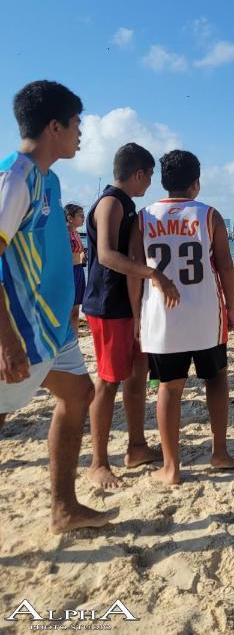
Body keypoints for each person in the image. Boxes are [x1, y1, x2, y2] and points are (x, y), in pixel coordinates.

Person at [0, 80, 109, 533]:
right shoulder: (15, 177)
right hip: (20, 330)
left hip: (54, 329)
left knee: (80, 394)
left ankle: (64, 509)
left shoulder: (51, 178)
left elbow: (52, 252)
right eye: (77, 123)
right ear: (54, 126)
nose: (81, 132)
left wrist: (69, 310)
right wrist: (6, 343)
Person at [128, 150, 234, 485]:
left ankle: (171, 467)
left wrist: (136, 316)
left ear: (163, 181)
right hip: (206, 315)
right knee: (216, 378)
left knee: (168, 388)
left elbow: (134, 271)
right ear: (196, 183)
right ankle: (219, 452)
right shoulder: (209, 215)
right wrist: (230, 307)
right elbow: (225, 266)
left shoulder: (143, 217)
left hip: (163, 319)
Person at [83, 143, 180, 489]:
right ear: (138, 173)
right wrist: (153, 274)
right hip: (108, 305)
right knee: (108, 381)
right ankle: (97, 462)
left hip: (129, 305)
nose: (151, 182)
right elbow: (107, 255)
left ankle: (136, 446)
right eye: (150, 175)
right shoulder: (111, 202)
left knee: (137, 376)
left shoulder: (129, 206)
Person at [64, 203, 86, 338]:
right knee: (67, 308)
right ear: (70, 217)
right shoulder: (63, 232)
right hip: (68, 271)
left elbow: (81, 250)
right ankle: (65, 340)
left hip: (78, 270)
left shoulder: (76, 233)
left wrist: (83, 256)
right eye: (80, 216)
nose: (83, 218)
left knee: (76, 309)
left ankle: (75, 339)